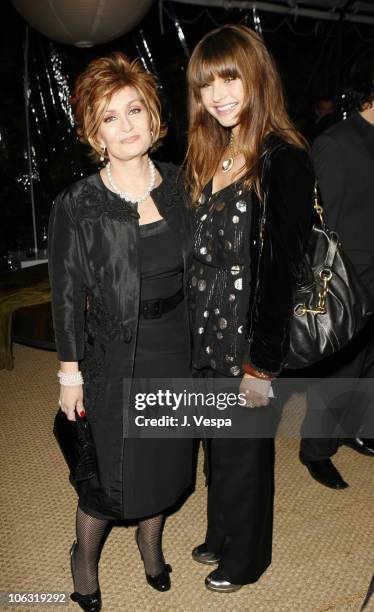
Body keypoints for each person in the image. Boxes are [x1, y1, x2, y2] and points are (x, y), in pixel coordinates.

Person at [48, 53, 193, 611]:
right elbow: (63, 295)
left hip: (177, 350)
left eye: (135, 110)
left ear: (154, 117)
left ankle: (150, 542)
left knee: (165, 462)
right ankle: (83, 557)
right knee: (112, 476)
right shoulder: (78, 205)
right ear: (95, 130)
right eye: (110, 117)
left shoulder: (183, 185)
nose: (126, 125)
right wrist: (69, 374)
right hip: (112, 359)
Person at [185, 24, 314, 592]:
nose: (219, 95)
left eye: (230, 77)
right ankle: (222, 535)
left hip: (248, 336)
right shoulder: (213, 148)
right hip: (206, 331)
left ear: (256, 76)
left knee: (245, 453)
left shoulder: (283, 159)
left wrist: (263, 364)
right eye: (207, 84)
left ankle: (248, 558)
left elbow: (284, 270)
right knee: (219, 447)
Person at [299, 51, 374, 489]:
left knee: (367, 366)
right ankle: (316, 449)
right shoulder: (336, 141)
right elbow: (315, 222)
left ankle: (354, 429)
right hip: (347, 277)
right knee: (339, 369)